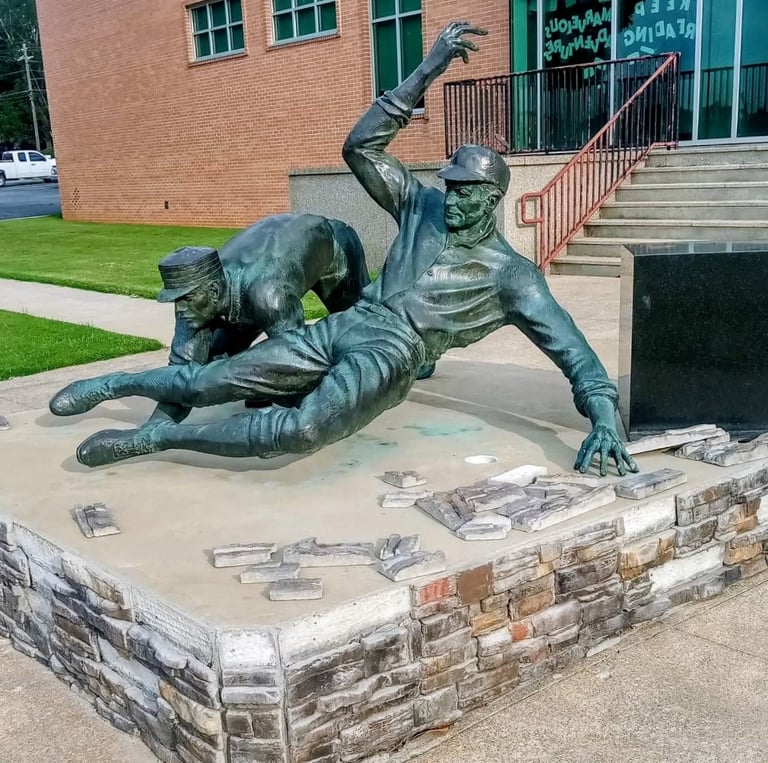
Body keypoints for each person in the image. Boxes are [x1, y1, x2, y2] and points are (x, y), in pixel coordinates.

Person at [49, 21, 636, 478]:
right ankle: (118, 384)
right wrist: (427, 70)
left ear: (494, 199)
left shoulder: (513, 277)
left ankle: (157, 438)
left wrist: (604, 420)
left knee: (303, 431)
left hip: (393, 352)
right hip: (349, 322)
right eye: (450, 187)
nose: (452, 201)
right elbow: (360, 148)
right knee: (214, 380)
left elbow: (577, 355)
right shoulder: (422, 207)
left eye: (466, 194)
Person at [146, 212, 370, 423]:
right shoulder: (195, 301)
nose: (181, 310)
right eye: (177, 301)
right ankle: (260, 390)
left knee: (361, 331)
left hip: (331, 245)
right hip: (251, 278)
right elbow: (180, 381)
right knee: (214, 360)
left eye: (185, 300)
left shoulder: (269, 297)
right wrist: (150, 432)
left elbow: (301, 364)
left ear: (213, 291)